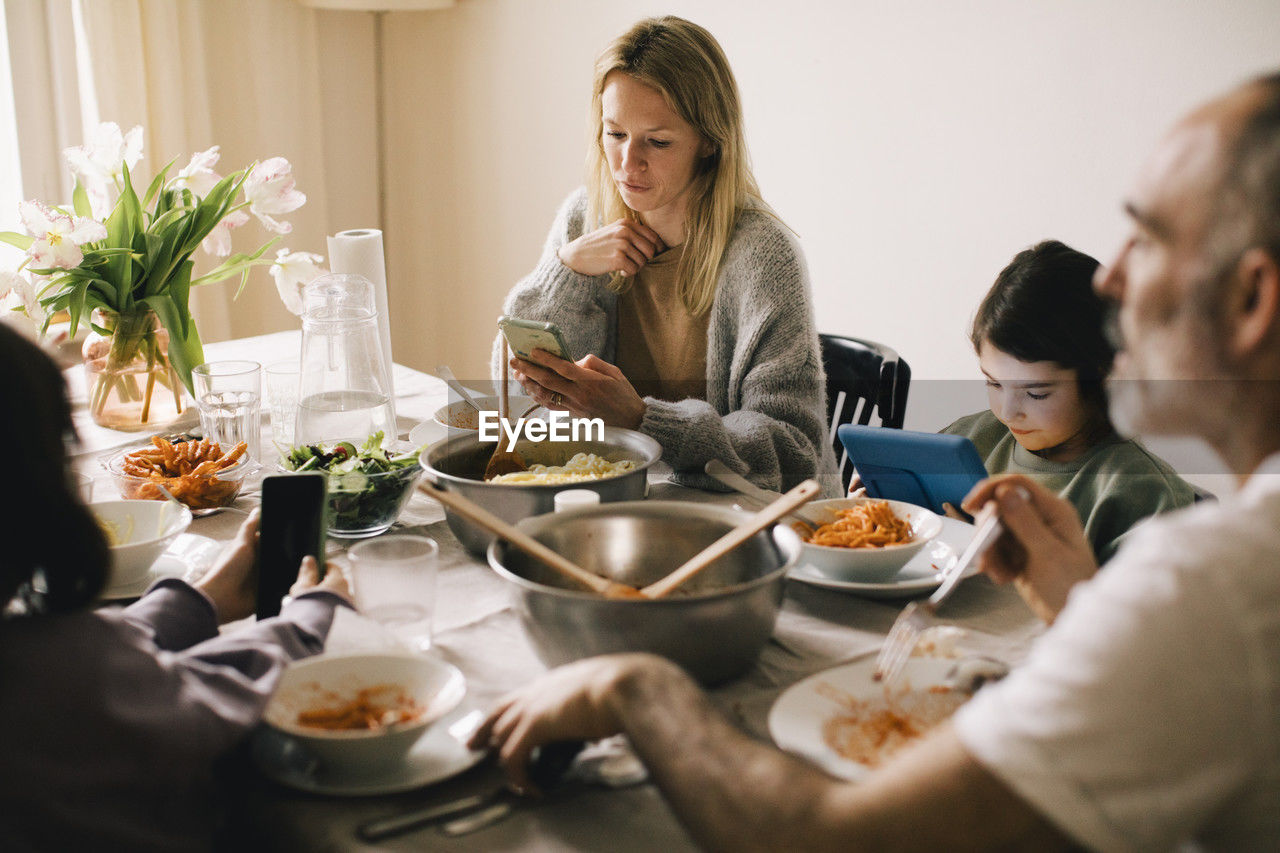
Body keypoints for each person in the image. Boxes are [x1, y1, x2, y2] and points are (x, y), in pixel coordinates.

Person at [470, 72, 1280, 850]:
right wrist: (1083, 605)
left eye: (1154, 235)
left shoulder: (1211, 584)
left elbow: (831, 839)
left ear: (1251, 299)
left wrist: (633, 687)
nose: (1112, 276)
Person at [0, 325, 352, 851]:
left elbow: (104, 664)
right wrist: (303, 620)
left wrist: (199, 599)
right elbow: (204, 706)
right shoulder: (56, 682)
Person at [496, 16, 840, 495]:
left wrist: (642, 419)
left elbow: (792, 453)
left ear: (710, 143)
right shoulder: (586, 217)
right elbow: (516, 401)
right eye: (615, 134)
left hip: (743, 521)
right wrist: (566, 269)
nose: (627, 163)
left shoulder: (763, 255)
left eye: (657, 142)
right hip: (623, 503)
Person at [941, 239, 1196, 562]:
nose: (1007, 413)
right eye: (994, 383)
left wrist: (995, 565)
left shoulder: (1138, 495)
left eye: (1036, 393)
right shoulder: (969, 440)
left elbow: (1123, 612)